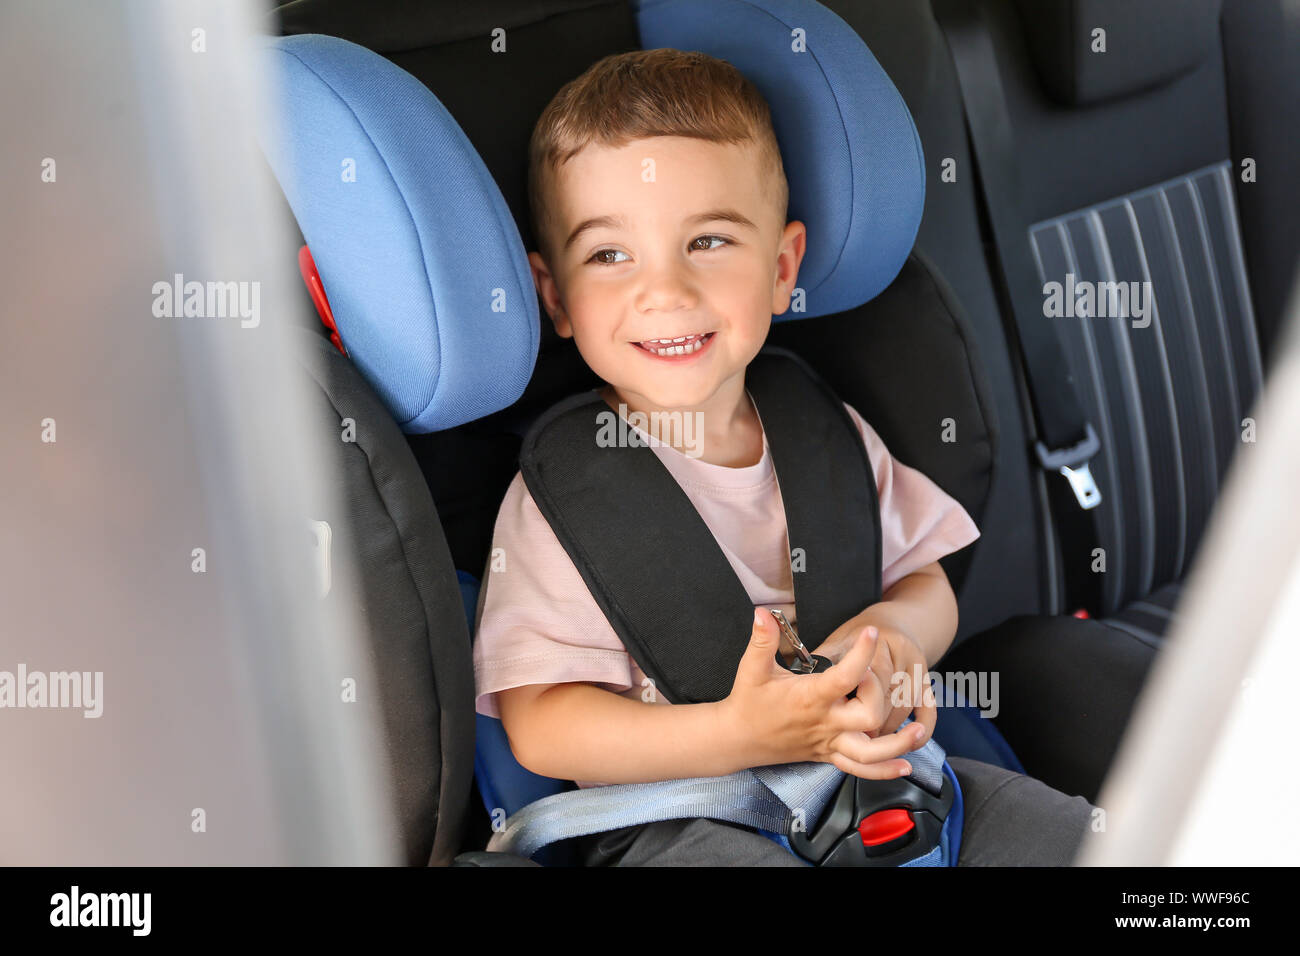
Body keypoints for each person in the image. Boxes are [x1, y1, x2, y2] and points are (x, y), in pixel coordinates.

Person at [472, 47, 1093, 866]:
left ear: (781, 268)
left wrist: (889, 640)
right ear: (556, 297)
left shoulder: (820, 430)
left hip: (885, 778)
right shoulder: (565, 496)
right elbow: (540, 725)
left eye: (708, 241)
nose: (665, 290)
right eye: (609, 255)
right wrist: (738, 732)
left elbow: (927, 582)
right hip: (681, 816)